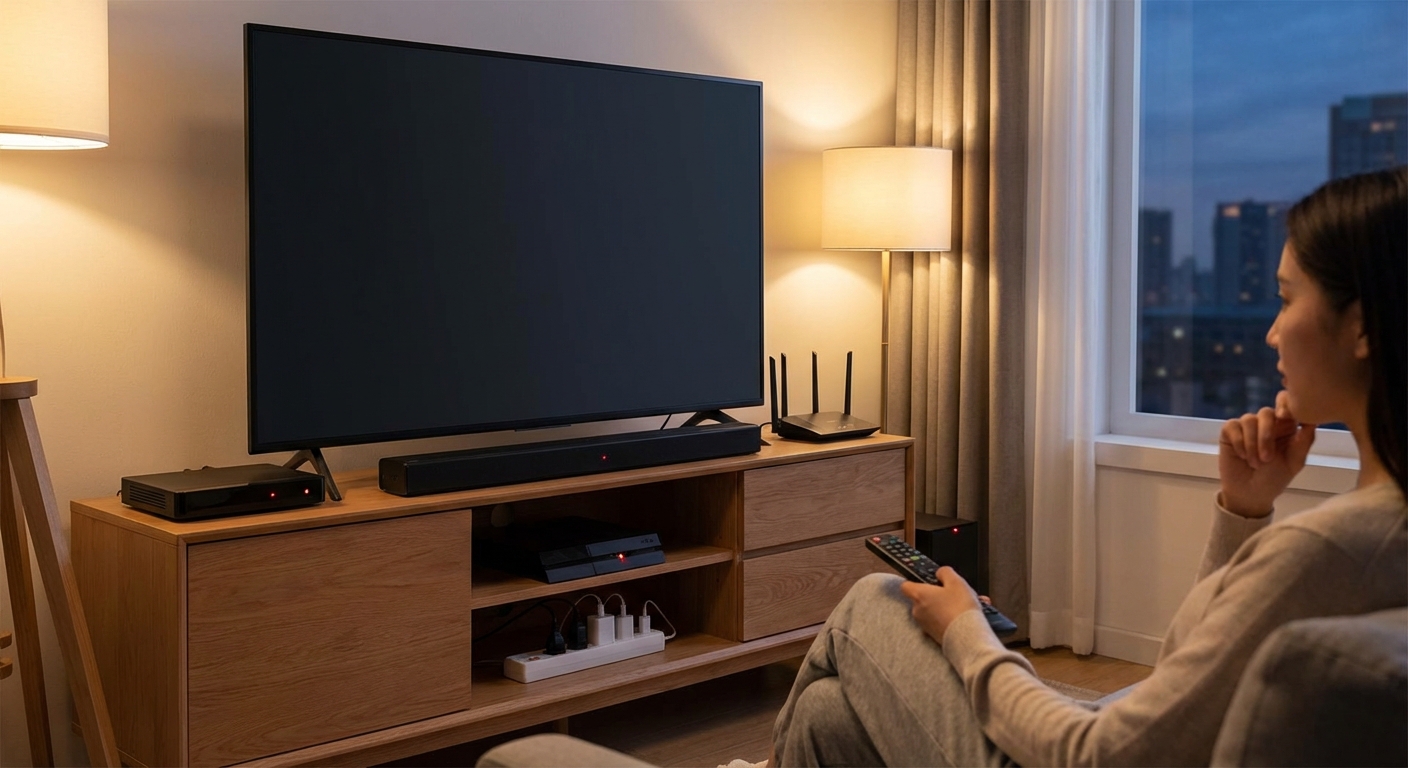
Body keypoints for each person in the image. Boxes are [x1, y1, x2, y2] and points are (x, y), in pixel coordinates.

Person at [767, 166, 1407, 767]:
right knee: (830, 716)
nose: (1271, 333)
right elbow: (1192, 676)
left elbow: (1099, 753)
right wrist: (1244, 510)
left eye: (1286, 299)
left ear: (1361, 328)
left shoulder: (1324, 551)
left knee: (873, 599)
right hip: (1135, 729)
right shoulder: (1378, 533)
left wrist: (968, 635)